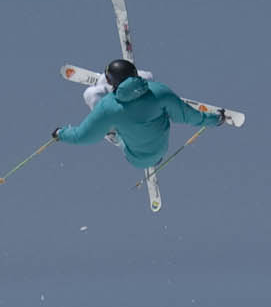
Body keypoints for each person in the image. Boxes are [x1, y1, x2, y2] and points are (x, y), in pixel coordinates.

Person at [53, 59, 225, 202]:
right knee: (149, 78)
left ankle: (111, 132)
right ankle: (127, 85)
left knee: (92, 95)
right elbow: (190, 116)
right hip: (161, 150)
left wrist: (61, 134)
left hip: (135, 158)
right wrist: (215, 119)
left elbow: (83, 136)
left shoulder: (109, 107)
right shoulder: (159, 91)